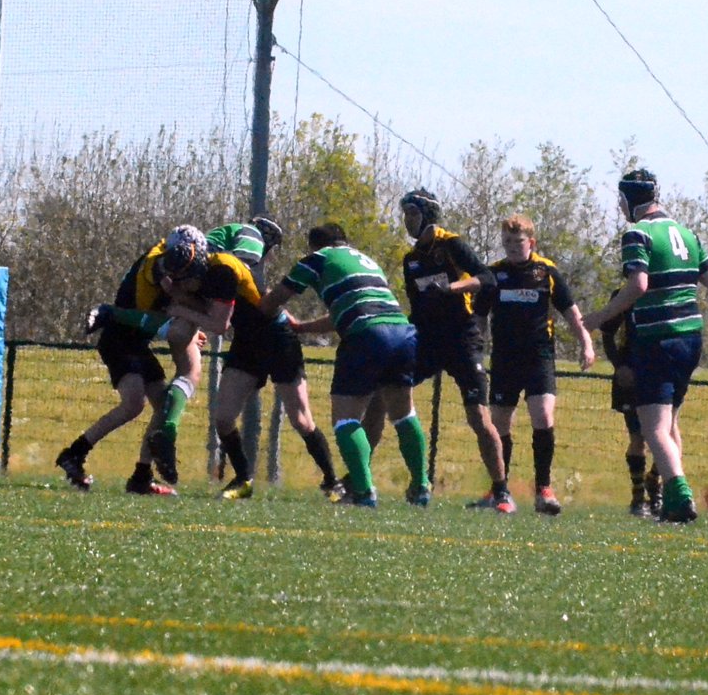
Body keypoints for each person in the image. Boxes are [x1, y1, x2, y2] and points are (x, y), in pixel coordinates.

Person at [584, 168, 708, 523]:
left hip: (656, 338)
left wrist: (598, 318)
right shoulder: (686, 234)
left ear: (627, 199)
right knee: (670, 422)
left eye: (620, 200)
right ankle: (672, 498)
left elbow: (638, 286)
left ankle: (680, 496)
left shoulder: (638, 233)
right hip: (691, 338)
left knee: (654, 429)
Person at [57, 226, 253, 494]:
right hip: (119, 339)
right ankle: (74, 453)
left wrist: (189, 323)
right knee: (133, 404)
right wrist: (181, 323)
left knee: (164, 405)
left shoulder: (174, 264)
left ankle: (141, 476)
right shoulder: (158, 267)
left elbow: (177, 308)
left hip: (136, 342)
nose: (186, 281)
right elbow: (162, 313)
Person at [264, 222, 431, 508]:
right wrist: (303, 327)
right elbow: (347, 311)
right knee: (403, 414)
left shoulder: (316, 259)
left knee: (346, 418)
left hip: (366, 335)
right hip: (402, 332)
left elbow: (272, 302)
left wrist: (260, 296)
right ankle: (421, 486)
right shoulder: (367, 262)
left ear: (314, 246)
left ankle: (363, 492)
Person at [205, 217, 342, 501]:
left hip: (278, 339)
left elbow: (265, 301)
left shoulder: (240, 267)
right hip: (247, 342)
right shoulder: (224, 267)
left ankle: (332, 482)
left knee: (301, 420)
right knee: (224, 418)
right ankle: (243, 479)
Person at [398, 188, 512, 512]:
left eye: (413, 214)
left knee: (478, 417)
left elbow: (487, 278)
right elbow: (416, 306)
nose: (407, 221)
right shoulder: (411, 260)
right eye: (405, 215)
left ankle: (501, 492)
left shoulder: (451, 244)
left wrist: (451, 288)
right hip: (428, 340)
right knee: (387, 392)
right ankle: (370, 481)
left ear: (429, 215)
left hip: (462, 338)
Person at [481, 214, 595, 515]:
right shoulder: (494, 274)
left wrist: (586, 343)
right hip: (504, 359)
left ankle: (543, 489)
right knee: (499, 423)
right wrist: (473, 349)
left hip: (539, 357)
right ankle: (499, 489)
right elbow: (478, 317)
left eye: (517, 242)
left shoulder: (546, 271)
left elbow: (571, 312)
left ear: (531, 242)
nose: (512, 247)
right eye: (507, 241)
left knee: (543, 416)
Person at [600, 299, 660, 517]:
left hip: (661, 373)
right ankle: (638, 496)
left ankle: (655, 481)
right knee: (638, 438)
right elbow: (607, 332)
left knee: (665, 434)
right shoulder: (624, 296)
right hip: (631, 378)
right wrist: (620, 366)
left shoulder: (667, 292)